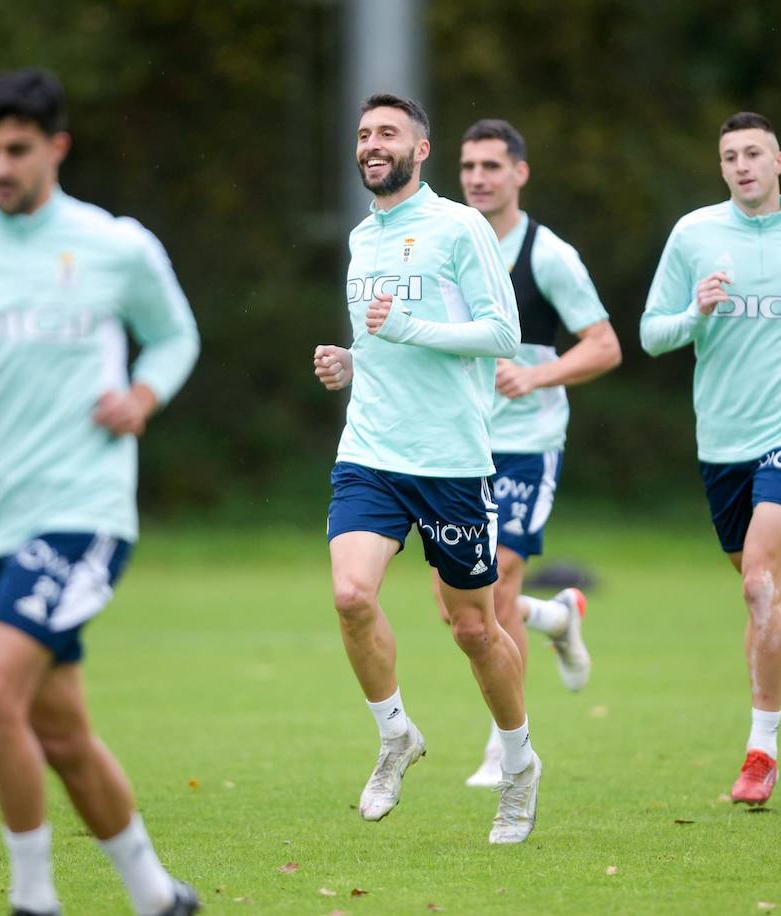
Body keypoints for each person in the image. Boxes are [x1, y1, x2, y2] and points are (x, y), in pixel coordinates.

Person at [0, 69, 201, 915]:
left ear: (55, 147)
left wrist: (142, 397)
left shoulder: (114, 245)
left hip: (82, 511)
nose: (0, 167)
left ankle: (32, 901)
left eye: (17, 149)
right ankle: (158, 897)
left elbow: (174, 337)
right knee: (58, 732)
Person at [311, 94, 541, 844]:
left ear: (421, 147)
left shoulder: (459, 227)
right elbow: (382, 342)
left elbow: (503, 334)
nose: (372, 143)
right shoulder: (361, 238)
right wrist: (350, 362)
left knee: (475, 630)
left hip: (448, 460)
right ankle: (395, 735)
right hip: (370, 451)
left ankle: (517, 764)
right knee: (350, 595)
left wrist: (411, 328)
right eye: (363, 133)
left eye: (387, 133)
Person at [640, 111, 781, 808]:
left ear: (780, 162)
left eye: (753, 154)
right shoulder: (693, 235)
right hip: (722, 440)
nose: (742, 165)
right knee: (776, 594)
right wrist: (697, 313)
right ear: (722, 169)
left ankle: (760, 752)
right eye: (730, 156)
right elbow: (653, 334)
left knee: (759, 588)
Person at [444, 118, 622, 787]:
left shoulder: (548, 254)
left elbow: (604, 344)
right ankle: (558, 618)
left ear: (520, 173)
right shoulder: (447, 246)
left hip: (527, 445)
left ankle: (505, 747)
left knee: (500, 580)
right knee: (460, 606)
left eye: (492, 166)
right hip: (458, 445)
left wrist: (536, 375)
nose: (478, 179)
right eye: (468, 168)